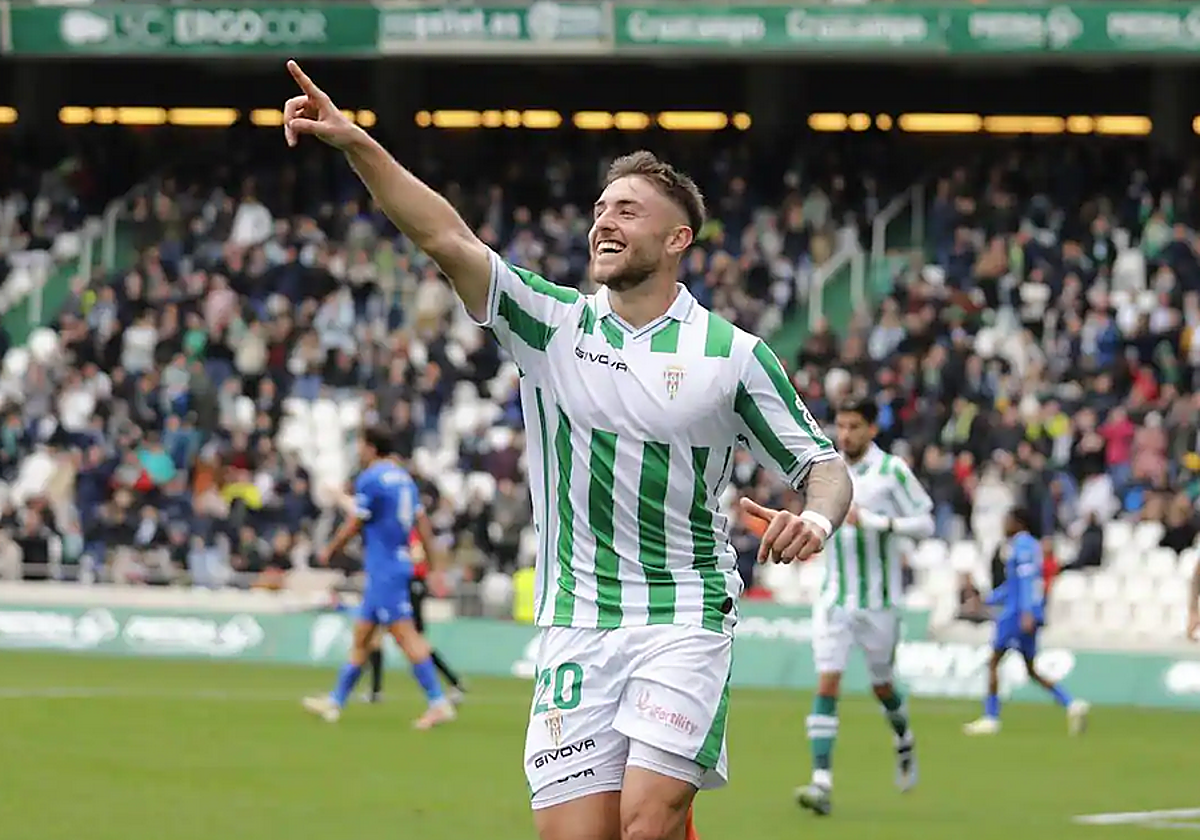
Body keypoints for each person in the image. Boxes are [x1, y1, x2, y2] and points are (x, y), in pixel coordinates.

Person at [282, 60, 853, 840]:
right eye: (600, 208)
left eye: (628, 209)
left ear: (678, 237)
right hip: (576, 621)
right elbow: (444, 235)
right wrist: (356, 143)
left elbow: (822, 466)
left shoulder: (734, 355)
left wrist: (815, 523)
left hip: (682, 614)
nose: (605, 221)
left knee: (644, 824)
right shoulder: (552, 325)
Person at [795, 398, 934, 817]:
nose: (846, 434)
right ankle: (821, 782)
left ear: (872, 429)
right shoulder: (827, 469)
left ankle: (904, 737)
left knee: (882, 685)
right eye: (841, 425)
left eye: (854, 426)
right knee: (827, 684)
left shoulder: (892, 471)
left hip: (880, 603)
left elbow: (926, 522)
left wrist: (878, 522)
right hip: (835, 599)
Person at [302, 426, 456, 730]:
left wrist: (331, 549)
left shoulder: (371, 478)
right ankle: (334, 702)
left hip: (385, 569)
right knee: (362, 637)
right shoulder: (405, 480)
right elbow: (422, 525)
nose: (359, 451)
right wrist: (434, 564)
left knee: (405, 637)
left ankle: (438, 702)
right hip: (391, 566)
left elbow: (356, 521)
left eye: (361, 445)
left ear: (372, 448)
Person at [962, 507, 1090, 736]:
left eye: (1007, 521)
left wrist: (1027, 612)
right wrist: (988, 600)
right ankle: (1071, 703)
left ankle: (991, 718)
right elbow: (1015, 585)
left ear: (1019, 523)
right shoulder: (1032, 547)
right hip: (1026, 611)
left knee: (993, 662)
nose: (1004, 525)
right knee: (1031, 669)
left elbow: (1026, 581)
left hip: (1016, 614)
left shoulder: (1021, 547)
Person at [357, 528, 467, 704]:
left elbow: (418, 556)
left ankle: (452, 684)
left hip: (409, 586)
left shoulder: (406, 529)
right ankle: (375, 690)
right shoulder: (400, 527)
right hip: (398, 585)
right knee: (377, 637)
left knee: (414, 641)